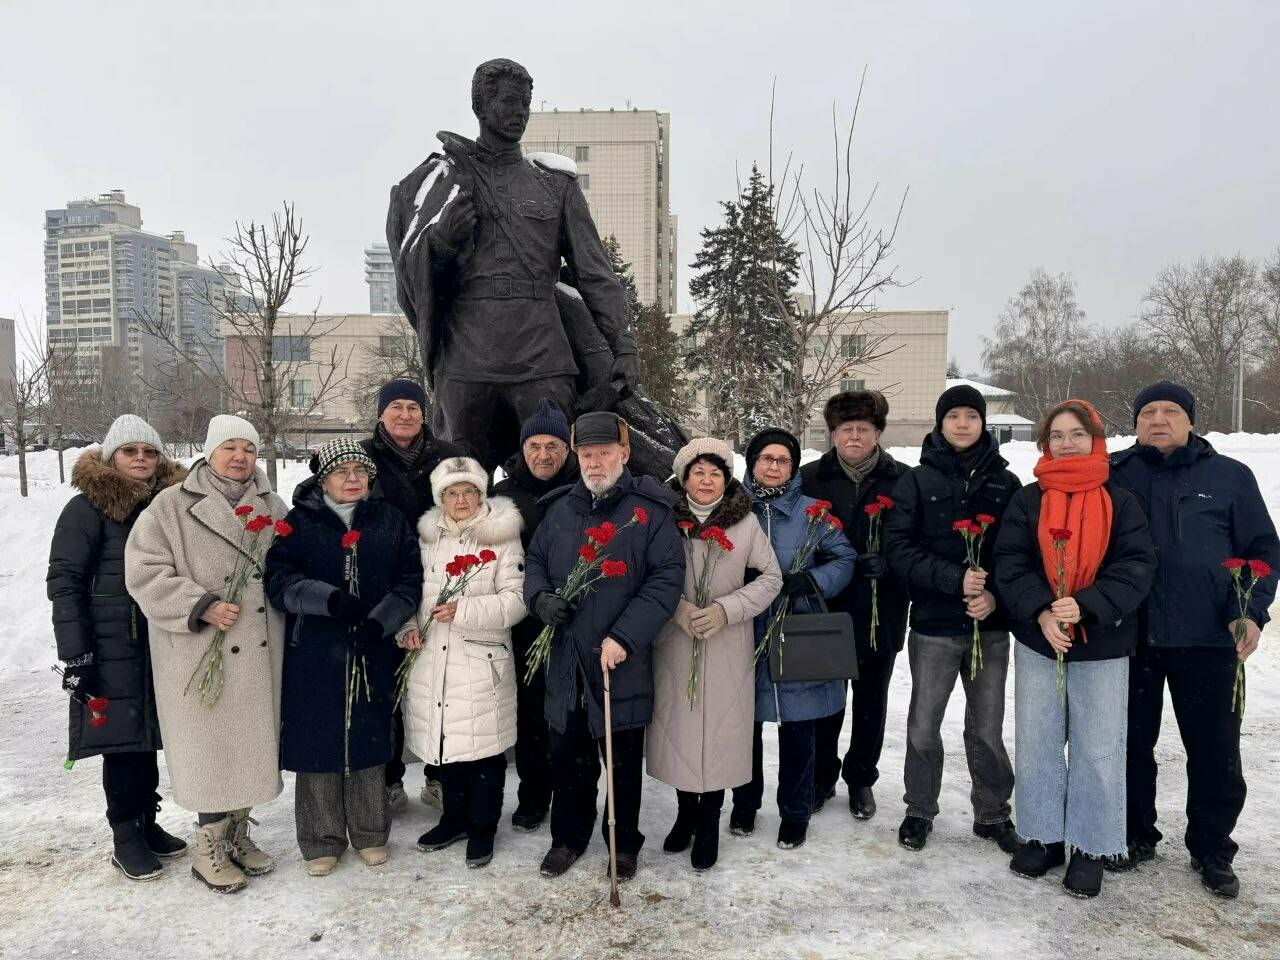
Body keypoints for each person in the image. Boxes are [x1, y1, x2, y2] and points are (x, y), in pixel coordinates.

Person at [386, 58, 639, 471]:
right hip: (467, 352)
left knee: (556, 471)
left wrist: (623, 344)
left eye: (525, 103)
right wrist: (443, 244)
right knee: (458, 478)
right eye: (507, 101)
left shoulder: (554, 184)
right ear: (479, 108)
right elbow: (413, 274)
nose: (519, 112)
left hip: (541, 351)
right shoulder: (440, 180)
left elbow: (595, 273)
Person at [1109, 382, 1279, 898]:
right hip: (1128, 636)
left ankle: (1211, 847)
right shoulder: (1113, 474)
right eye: (1148, 412)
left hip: (1206, 638)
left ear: (1190, 421)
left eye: (1171, 411)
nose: (1158, 419)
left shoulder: (1229, 477)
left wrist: (1249, 611)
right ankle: (1134, 833)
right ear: (1136, 422)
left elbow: (1262, 550)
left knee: (1214, 749)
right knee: (1128, 743)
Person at [993, 399, 1156, 898]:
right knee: (1039, 739)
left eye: (1077, 434)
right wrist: (1042, 610)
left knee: (1099, 746)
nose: (1067, 443)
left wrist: (1084, 605)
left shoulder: (1121, 500)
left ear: (1095, 439)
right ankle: (1044, 836)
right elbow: (1010, 562)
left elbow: (1135, 566)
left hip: (1103, 641)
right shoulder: (1027, 500)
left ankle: (1090, 844)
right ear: (1045, 443)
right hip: (1041, 639)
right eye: (1057, 435)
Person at [125, 415, 289, 894]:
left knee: (250, 747)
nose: (240, 457)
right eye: (230, 448)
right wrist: (201, 605)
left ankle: (236, 832)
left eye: (249, 449)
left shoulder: (274, 505)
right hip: (199, 649)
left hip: (258, 651)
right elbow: (144, 573)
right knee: (212, 750)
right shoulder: (170, 507)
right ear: (209, 451)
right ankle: (208, 844)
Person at [524, 411, 684, 880]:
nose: (595, 463)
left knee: (622, 760)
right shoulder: (559, 509)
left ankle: (624, 842)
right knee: (568, 756)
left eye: (604, 453)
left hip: (619, 660)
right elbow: (534, 562)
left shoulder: (649, 513)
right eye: (587, 455)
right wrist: (540, 600)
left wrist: (625, 636)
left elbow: (664, 580)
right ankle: (567, 838)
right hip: (567, 658)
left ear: (625, 454)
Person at [264, 439, 423, 877]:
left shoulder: (389, 521)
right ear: (323, 478)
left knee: (370, 737)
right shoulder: (299, 522)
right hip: (314, 649)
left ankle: (371, 832)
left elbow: (410, 579)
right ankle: (321, 838)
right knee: (318, 742)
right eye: (342, 471)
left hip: (372, 646)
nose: (352, 479)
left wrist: (380, 621)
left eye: (360, 471)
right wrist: (329, 600)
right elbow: (280, 581)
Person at [48, 416, 189, 881]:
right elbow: (65, 582)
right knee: (123, 743)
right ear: (112, 457)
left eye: (149, 452)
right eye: (130, 452)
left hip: (160, 639)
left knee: (149, 735)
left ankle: (147, 822)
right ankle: (125, 834)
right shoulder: (85, 510)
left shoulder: (169, 505)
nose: (141, 460)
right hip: (111, 645)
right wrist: (77, 655)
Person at [883, 384, 1022, 854]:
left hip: (991, 628)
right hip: (935, 625)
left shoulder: (1006, 483)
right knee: (924, 722)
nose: (963, 424)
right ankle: (919, 808)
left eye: (972, 416)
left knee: (986, 727)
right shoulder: (918, 481)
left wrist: (995, 597)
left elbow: (1019, 553)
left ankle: (993, 813)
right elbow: (899, 550)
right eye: (953, 416)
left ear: (983, 423)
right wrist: (954, 579)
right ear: (940, 424)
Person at [646, 438, 782, 871]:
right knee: (681, 731)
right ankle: (686, 813)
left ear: (727, 479)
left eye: (716, 473)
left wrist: (727, 610)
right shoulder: (665, 520)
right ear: (684, 478)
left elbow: (771, 578)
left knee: (721, 735)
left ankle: (709, 821)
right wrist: (678, 609)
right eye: (698, 472)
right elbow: (647, 574)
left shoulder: (744, 524)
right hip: (675, 641)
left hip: (726, 643)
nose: (707, 481)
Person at [729, 428, 856, 850]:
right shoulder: (731, 509)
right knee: (743, 727)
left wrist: (812, 580)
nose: (773, 466)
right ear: (752, 462)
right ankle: (744, 804)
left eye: (783, 460)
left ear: (793, 466)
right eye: (766, 458)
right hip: (743, 632)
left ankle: (795, 811)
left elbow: (845, 557)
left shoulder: (813, 512)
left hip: (795, 631)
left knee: (799, 728)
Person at [398, 456, 526, 869]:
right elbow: (409, 590)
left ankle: (483, 827)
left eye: (470, 491)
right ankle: (453, 818)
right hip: (432, 657)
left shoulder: (502, 537)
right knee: (445, 746)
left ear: (481, 493)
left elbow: (517, 600)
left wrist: (465, 609)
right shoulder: (426, 538)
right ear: (441, 498)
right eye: (453, 493)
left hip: (480, 658)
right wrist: (407, 628)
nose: (462, 499)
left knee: (483, 750)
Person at [358, 378, 466, 814]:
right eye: (396, 407)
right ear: (381, 413)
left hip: (441, 579)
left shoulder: (445, 457)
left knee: (437, 683)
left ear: (425, 414)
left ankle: (439, 775)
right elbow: (325, 491)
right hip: (383, 585)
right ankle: (388, 778)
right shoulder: (363, 456)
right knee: (387, 687)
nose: (405, 415)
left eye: (414, 407)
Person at [804, 390, 911, 821]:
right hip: (828, 608)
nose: (853, 436)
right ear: (832, 434)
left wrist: (891, 561)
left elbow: (915, 540)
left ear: (878, 433)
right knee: (825, 700)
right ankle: (821, 775)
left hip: (879, 609)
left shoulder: (902, 479)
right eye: (845, 428)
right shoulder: (812, 478)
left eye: (862, 428)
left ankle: (861, 778)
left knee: (871, 702)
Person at [490, 398, 580, 832]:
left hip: (575, 617)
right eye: (535, 446)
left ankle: (569, 791)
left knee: (569, 714)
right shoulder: (503, 496)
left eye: (553, 445)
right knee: (530, 712)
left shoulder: (586, 486)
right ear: (523, 449)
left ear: (568, 447)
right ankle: (532, 793)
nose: (543, 455)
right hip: (525, 622)